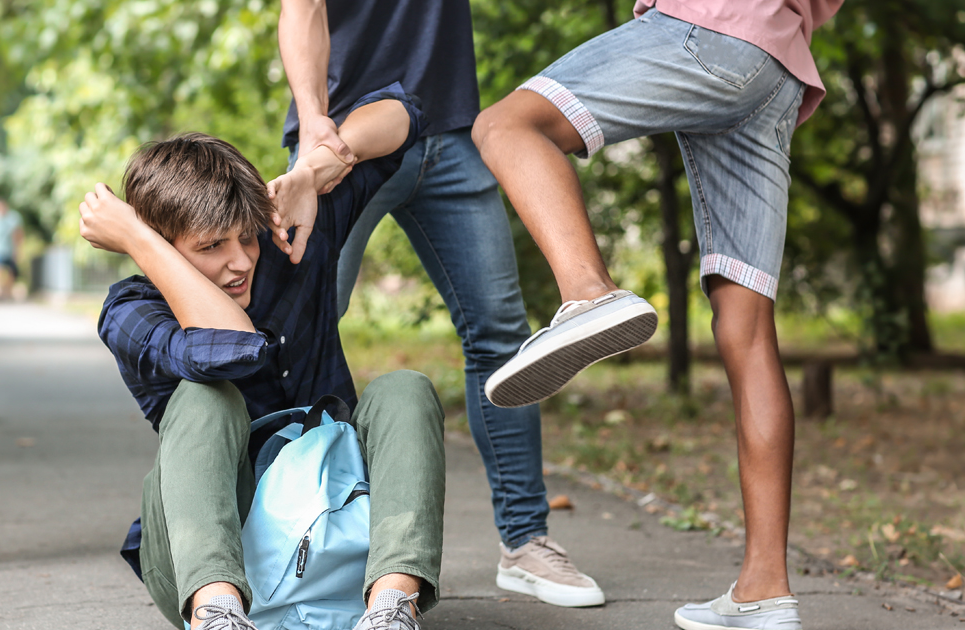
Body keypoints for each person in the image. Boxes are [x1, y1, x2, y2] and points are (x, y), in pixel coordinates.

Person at [471, 1, 843, 628]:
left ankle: (588, 292)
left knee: (506, 126)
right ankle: (764, 590)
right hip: (778, 64)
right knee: (748, 334)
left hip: (707, 26)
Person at [275, 0, 604, 607]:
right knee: (302, 336)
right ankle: (293, 539)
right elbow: (303, 8)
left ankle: (526, 542)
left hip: (450, 131)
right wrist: (314, 120)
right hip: (342, 143)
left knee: (500, 333)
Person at [79, 88, 445, 630]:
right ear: (161, 247)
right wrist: (138, 237)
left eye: (245, 238)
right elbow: (228, 345)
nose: (238, 263)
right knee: (208, 397)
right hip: (214, 563)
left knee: (405, 388)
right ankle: (218, 614)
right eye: (210, 248)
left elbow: (406, 114)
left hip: (340, 527)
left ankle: (392, 609)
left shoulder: (288, 234)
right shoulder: (132, 310)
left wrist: (309, 175)